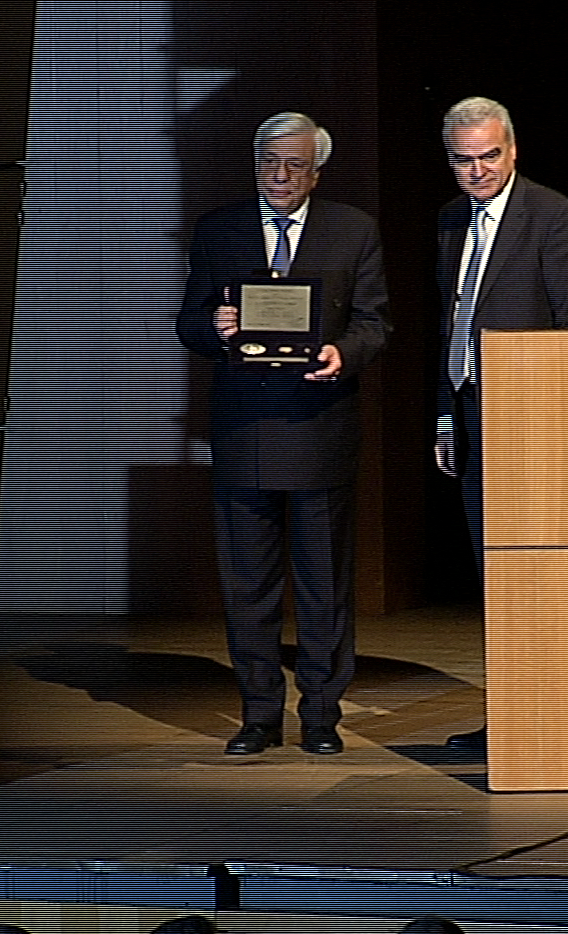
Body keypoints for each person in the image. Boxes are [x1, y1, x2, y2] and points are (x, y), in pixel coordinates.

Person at [178, 112, 389, 757]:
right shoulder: (219, 229)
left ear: (316, 172)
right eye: (269, 162)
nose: (280, 175)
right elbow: (188, 321)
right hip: (245, 431)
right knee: (248, 584)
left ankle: (321, 714)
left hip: (320, 429)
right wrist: (214, 325)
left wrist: (343, 354)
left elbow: (375, 322)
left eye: (295, 164)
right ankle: (259, 714)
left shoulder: (352, 230)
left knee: (324, 584)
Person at [434, 97, 568, 750]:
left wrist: (559, 423)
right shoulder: (451, 220)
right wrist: (446, 413)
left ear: (512, 150)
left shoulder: (554, 216)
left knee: (540, 576)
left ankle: (557, 716)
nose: (477, 170)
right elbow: (451, 325)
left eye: (489, 156)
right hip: (472, 416)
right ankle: (510, 719)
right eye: (463, 160)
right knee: (497, 578)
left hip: (536, 423)